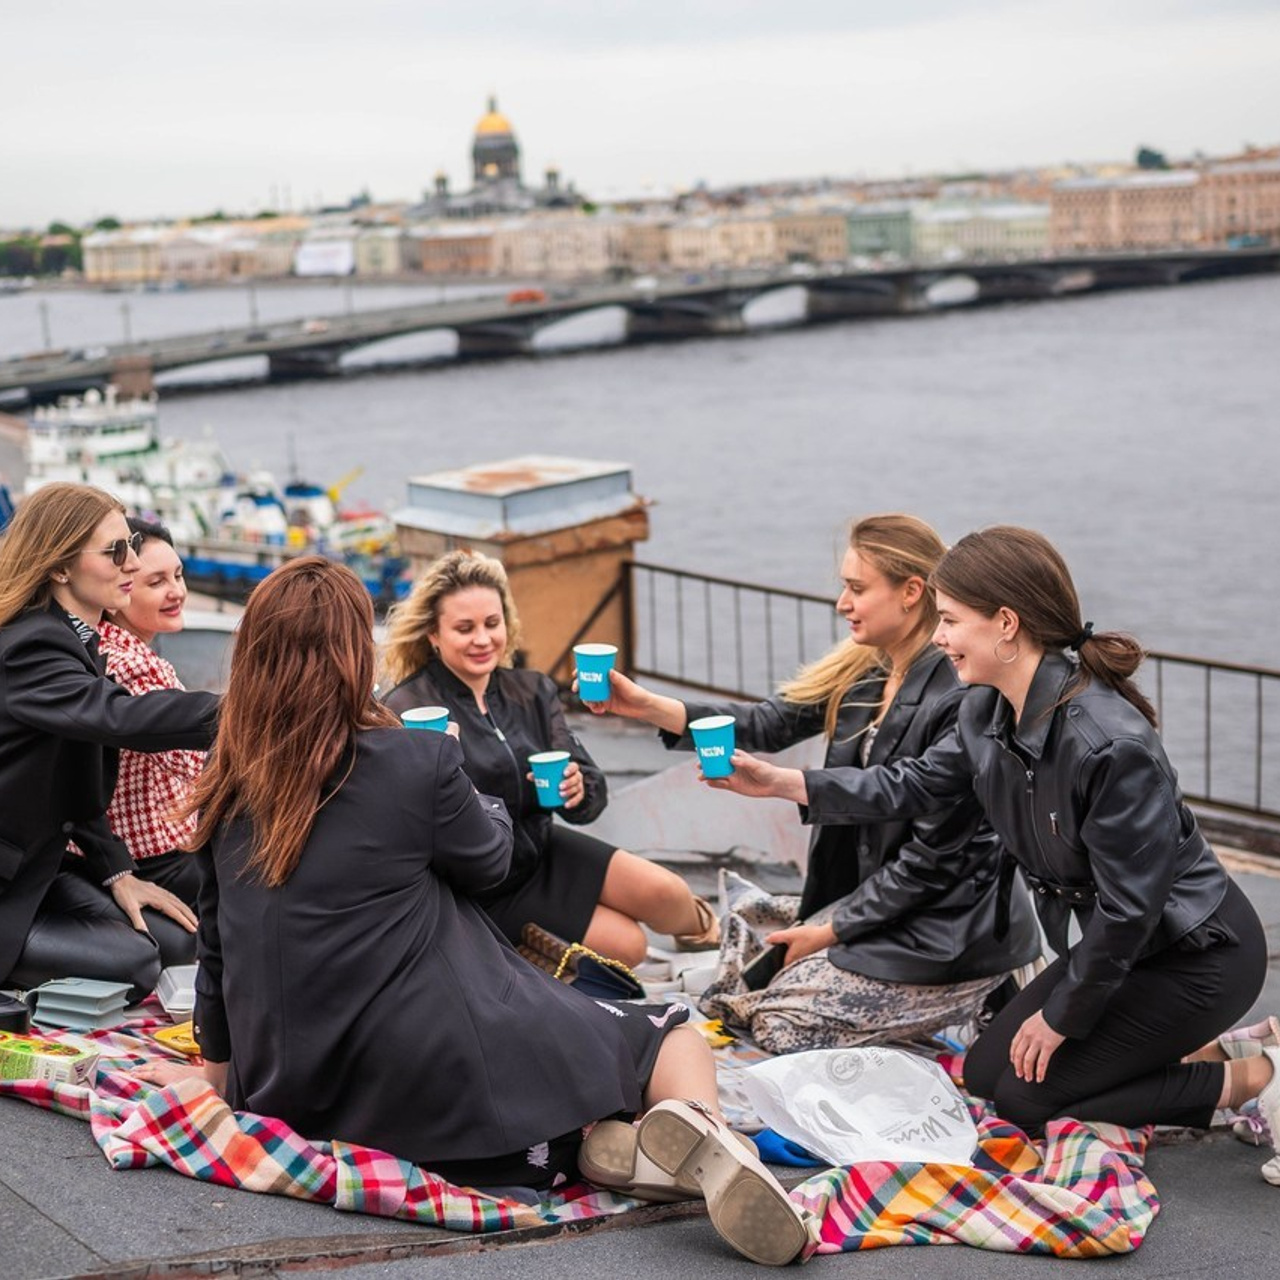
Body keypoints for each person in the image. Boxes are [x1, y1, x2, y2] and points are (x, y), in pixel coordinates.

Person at [136, 557, 812, 1266]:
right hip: (446, 1101)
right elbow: (489, 860)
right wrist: (453, 769)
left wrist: (215, 1077)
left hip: (294, 1092)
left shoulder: (229, 779)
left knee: (564, 1109)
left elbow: (217, 947)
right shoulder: (411, 761)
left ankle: (615, 1154)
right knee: (667, 1034)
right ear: (351, 656)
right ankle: (717, 1141)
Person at [701, 525, 1280, 1185]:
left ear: (1006, 624)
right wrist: (780, 782)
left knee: (1026, 1096)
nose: (939, 636)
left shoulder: (1109, 743)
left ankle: (1253, 1081)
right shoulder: (983, 709)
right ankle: (1193, 1052)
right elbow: (914, 785)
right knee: (984, 1072)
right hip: (1117, 949)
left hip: (1195, 956)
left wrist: (1064, 1015)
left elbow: (1129, 910)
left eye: (950, 620)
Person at [586, 514, 1040, 1053]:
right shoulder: (865, 673)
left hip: (949, 927)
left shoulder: (962, 694)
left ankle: (978, 996)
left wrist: (831, 929)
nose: (842, 604)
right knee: (743, 967)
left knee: (777, 1025)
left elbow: (934, 856)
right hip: (878, 901)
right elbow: (770, 724)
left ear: (911, 592)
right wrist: (644, 705)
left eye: (856, 588)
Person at [380, 549, 720, 966]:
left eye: (492, 623)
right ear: (433, 634)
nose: (483, 639)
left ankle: (712, 937)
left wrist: (579, 789)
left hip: (542, 849)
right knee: (628, 947)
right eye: (464, 628)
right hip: (484, 885)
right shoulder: (408, 707)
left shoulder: (532, 690)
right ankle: (512, 958)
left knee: (668, 894)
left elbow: (591, 790)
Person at [0, 482, 218, 1002]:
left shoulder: (77, 638)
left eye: (131, 548)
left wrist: (118, 872)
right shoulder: (30, 645)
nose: (131, 564)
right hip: (9, 885)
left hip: (38, 871)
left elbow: (74, 786)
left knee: (176, 940)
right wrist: (255, 709)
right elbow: (121, 717)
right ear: (59, 567)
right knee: (139, 962)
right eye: (115, 551)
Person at [92, 517, 204, 909]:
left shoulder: (107, 646)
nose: (177, 592)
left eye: (178, 575)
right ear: (120, 589)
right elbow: (197, 763)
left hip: (150, 850)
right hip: (159, 858)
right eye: (156, 583)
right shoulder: (131, 664)